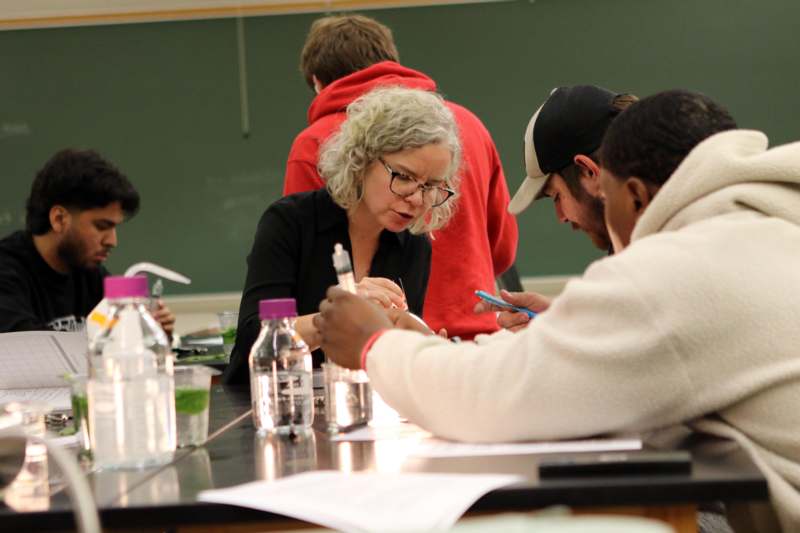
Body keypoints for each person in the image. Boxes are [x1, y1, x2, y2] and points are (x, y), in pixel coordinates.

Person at [313, 90, 800, 531]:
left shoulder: (677, 267)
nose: (564, 216)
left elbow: (493, 400)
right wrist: (570, 327)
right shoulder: (767, 223)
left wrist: (375, 344)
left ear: (629, 193)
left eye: (557, 197)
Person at [283, 14, 518, 341]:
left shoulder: (315, 143)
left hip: (380, 346)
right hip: (476, 339)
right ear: (390, 63)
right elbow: (502, 251)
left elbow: (307, 274)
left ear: (318, 83)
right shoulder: (468, 127)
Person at [222, 85, 461, 384]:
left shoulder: (413, 244)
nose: (416, 199)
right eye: (403, 177)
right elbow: (252, 340)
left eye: (431, 186)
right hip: (269, 402)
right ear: (361, 160)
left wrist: (419, 351)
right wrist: (336, 316)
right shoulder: (290, 222)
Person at [478, 86, 638, 331]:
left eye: (556, 196)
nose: (561, 217)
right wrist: (560, 320)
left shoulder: (651, 262)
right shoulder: (648, 239)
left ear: (588, 172)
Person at [0, 148, 175, 334]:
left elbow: (111, 331)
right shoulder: (7, 272)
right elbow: (26, 344)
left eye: (114, 227)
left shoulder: (89, 273)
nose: (112, 241)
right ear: (59, 219)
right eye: (101, 226)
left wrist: (150, 331)